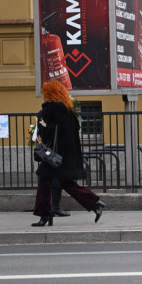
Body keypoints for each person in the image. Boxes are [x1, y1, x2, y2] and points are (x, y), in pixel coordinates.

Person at [31, 80, 106, 227]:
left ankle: (45, 215)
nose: (43, 95)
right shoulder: (68, 107)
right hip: (67, 154)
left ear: (50, 93)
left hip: (55, 155)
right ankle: (94, 203)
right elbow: (74, 127)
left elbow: (60, 129)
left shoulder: (53, 108)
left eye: (45, 92)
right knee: (67, 183)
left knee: (45, 183)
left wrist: (45, 126)